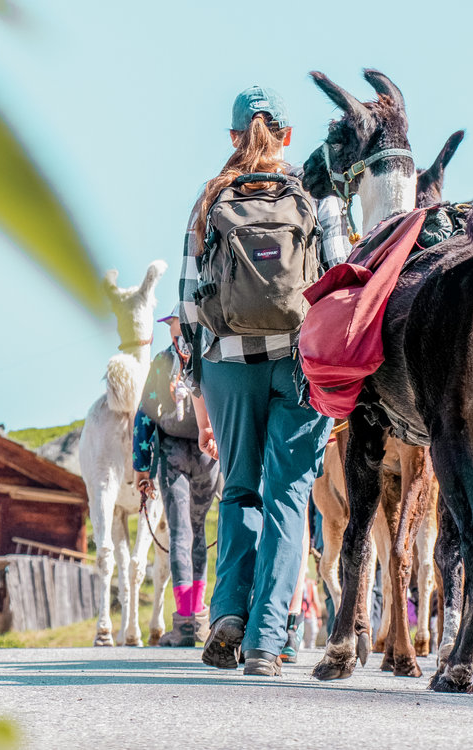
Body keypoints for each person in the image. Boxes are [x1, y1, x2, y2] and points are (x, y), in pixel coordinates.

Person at [179, 85, 348, 676]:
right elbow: (339, 290)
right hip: (299, 368)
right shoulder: (316, 202)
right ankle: (265, 641)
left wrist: (200, 405)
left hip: (227, 367)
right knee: (289, 496)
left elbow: (189, 311)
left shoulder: (208, 204)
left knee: (240, 490)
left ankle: (227, 615)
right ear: (289, 137)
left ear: (232, 138)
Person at [132, 307, 220, 647]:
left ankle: (185, 623)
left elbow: (145, 416)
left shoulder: (161, 362)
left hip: (173, 455)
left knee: (182, 532)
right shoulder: (212, 355)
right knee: (196, 530)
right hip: (207, 453)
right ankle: (197, 617)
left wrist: (142, 467)